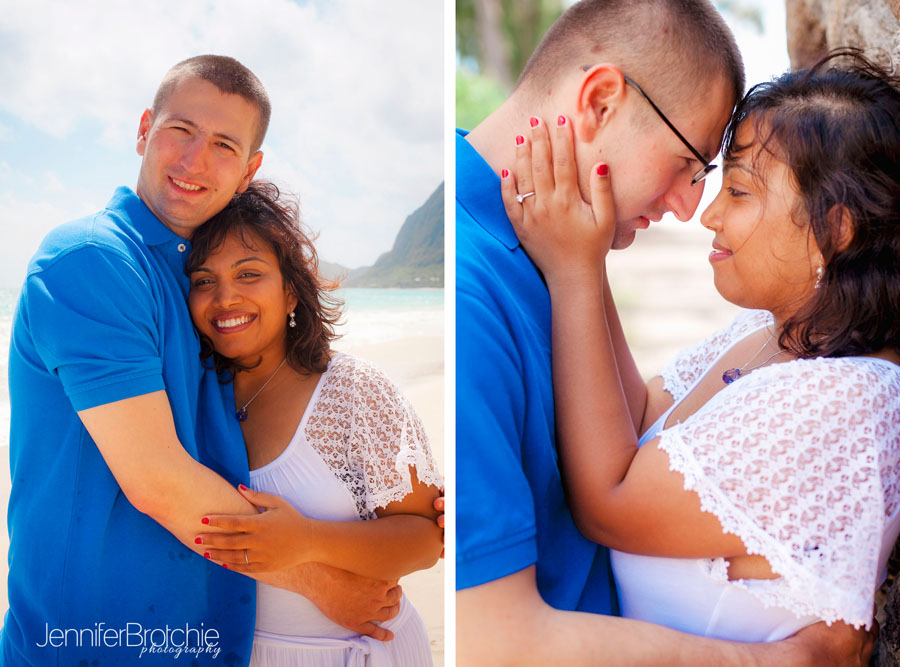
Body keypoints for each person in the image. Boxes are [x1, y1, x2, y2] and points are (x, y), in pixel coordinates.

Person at [456, 0, 873, 663]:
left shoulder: (549, 250)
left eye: (716, 181)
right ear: (599, 102)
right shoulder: (469, 295)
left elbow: (638, 424)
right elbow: (492, 645)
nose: (690, 208)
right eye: (689, 165)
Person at [5, 55, 432, 665]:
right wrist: (319, 577)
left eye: (224, 144)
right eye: (180, 130)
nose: (194, 161)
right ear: (144, 129)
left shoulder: (192, 283)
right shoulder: (93, 259)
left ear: (248, 168)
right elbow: (158, 481)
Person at [184, 181, 443, 665]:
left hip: (356, 650)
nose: (225, 298)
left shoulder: (355, 392)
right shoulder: (188, 399)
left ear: (290, 293)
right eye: (203, 280)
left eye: (249, 274)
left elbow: (426, 539)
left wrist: (307, 540)